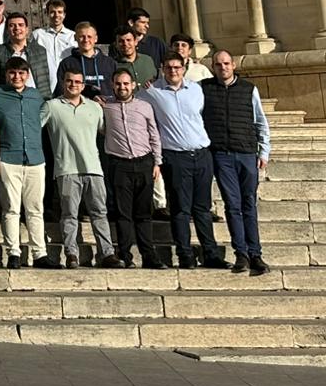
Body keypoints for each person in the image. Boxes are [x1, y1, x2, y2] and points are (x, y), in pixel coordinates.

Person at [144, 53, 227, 269]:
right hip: (175, 157)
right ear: (163, 69)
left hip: (201, 154)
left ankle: (211, 253)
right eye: (169, 67)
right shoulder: (152, 92)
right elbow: (131, 102)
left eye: (177, 67)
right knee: (180, 209)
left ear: (184, 68)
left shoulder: (196, 90)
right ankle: (185, 255)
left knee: (202, 207)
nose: (173, 71)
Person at [203, 49, 271, 276]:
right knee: (232, 205)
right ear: (213, 67)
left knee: (248, 204)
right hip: (221, 154)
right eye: (218, 64)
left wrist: (264, 152)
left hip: (246, 153)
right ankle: (240, 253)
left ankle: (256, 254)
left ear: (233, 65)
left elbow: (260, 121)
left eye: (226, 63)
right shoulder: (204, 89)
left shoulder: (249, 89)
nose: (223, 67)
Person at [42, 70, 117, 269]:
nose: (73, 85)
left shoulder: (94, 107)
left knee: (100, 213)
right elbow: (34, 128)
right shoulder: (52, 106)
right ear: (63, 83)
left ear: (83, 85)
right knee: (69, 214)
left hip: (94, 168)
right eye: (69, 81)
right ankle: (71, 253)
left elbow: (108, 131)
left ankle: (107, 253)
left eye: (77, 82)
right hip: (66, 169)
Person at [0, 57, 56, 269]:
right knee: (11, 209)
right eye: (12, 73)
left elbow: (46, 114)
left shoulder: (36, 96)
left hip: (35, 159)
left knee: (35, 209)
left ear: (28, 75)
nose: (17, 77)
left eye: (21, 73)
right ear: (6, 74)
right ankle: (14, 253)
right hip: (9, 158)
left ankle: (39, 253)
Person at [100, 68, 163, 268]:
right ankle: (125, 255)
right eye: (118, 84)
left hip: (144, 161)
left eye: (126, 83)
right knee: (123, 213)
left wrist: (157, 162)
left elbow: (154, 134)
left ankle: (149, 255)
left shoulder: (145, 107)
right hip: (119, 164)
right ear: (113, 85)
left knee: (144, 213)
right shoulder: (105, 107)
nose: (122, 87)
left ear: (133, 85)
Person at [0, 12, 51, 98]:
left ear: (27, 29)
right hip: (8, 102)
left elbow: (52, 78)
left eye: (21, 25)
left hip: (37, 101)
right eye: (12, 25)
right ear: (7, 30)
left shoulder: (41, 51)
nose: (17, 28)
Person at [55, 23, 116, 100]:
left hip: (106, 107)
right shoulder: (67, 64)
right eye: (82, 36)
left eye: (89, 36)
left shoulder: (109, 63)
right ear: (75, 38)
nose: (86, 40)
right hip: (78, 108)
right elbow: (61, 90)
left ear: (96, 38)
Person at [34, 0, 77, 72]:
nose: (56, 15)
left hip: (67, 79)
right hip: (45, 80)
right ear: (47, 14)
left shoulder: (73, 36)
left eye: (60, 12)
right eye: (52, 12)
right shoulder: (37, 35)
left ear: (64, 15)